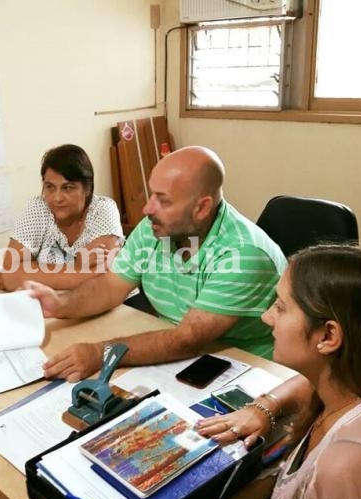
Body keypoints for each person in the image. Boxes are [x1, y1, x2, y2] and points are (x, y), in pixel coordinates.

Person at [196, 245, 361, 499]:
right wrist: (266, 406)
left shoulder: (349, 469)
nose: (266, 316)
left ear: (328, 337)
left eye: (281, 307)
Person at [28, 146, 286, 381]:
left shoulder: (243, 254)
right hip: (177, 353)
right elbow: (109, 286)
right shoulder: (157, 227)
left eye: (163, 200)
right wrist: (60, 303)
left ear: (202, 208)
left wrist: (99, 354)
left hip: (247, 368)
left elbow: (187, 339)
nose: (147, 208)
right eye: (152, 194)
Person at [0, 144, 124, 292]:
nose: (57, 198)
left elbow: (102, 278)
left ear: (86, 188)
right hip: (51, 302)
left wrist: (24, 276)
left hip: (112, 305)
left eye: (67, 188)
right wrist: (77, 267)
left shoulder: (103, 209)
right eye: (50, 187)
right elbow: (11, 267)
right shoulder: (38, 207)